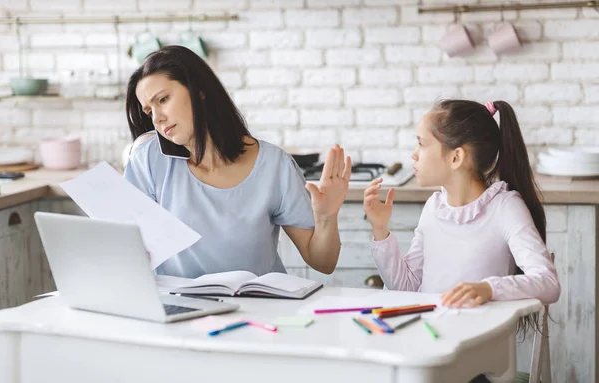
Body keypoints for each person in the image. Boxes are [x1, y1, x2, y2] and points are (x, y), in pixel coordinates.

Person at [123, 45, 351, 278]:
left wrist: (326, 218)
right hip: (183, 309)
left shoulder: (274, 165)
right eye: (149, 111)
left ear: (199, 90)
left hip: (259, 307)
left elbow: (323, 263)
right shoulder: (149, 159)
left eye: (163, 99)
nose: (158, 118)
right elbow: (126, 244)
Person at [364, 99, 560, 310]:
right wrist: (380, 230)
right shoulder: (434, 208)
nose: (414, 153)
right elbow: (405, 288)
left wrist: (489, 289)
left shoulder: (505, 208)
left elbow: (548, 283)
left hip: (481, 340)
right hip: (431, 335)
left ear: (456, 157)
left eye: (421, 144)